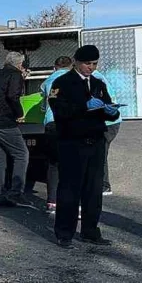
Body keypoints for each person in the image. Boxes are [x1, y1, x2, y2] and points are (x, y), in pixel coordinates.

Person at [47, 45, 119, 248]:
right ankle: (64, 233)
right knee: (70, 190)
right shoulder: (62, 83)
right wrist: (83, 107)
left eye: (95, 64)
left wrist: (111, 112)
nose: (91, 68)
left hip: (95, 141)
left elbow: (106, 106)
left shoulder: (97, 83)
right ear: (77, 62)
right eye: (88, 63)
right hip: (72, 143)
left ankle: (90, 231)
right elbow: (59, 110)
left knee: (93, 190)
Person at [0, 51, 31, 207]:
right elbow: (12, 96)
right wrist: (19, 113)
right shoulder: (14, 75)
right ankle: (16, 192)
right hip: (4, 123)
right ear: (20, 64)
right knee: (21, 154)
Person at [39, 55, 72, 214]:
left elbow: (45, 104)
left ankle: (52, 202)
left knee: (54, 164)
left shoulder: (48, 82)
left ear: (55, 67)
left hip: (52, 123)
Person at [92, 70, 123, 195]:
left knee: (100, 153)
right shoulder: (97, 76)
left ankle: (104, 185)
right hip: (111, 123)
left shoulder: (95, 79)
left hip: (107, 124)